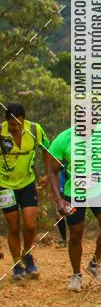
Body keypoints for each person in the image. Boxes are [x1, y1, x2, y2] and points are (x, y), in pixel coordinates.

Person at [48, 123, 101, 291]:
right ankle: (76, 275)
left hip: (98, 190)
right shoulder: (64, 139)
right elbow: (52, 170)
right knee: (75, 234)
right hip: (74, 193)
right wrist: (59, 200)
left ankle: (95, 264)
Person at [0, 102, 52, 280]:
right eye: (12, 124)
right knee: (13, 226)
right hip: (5, 185)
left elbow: (47, 149)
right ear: (6, 121)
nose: (15, 127)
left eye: (19, 123)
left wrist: (47, 173)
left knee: (30, 225)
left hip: (27, 183)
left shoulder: (35, 129)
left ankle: (27, 254)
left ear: (24, 120)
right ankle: (17, 265)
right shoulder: (1, 131)